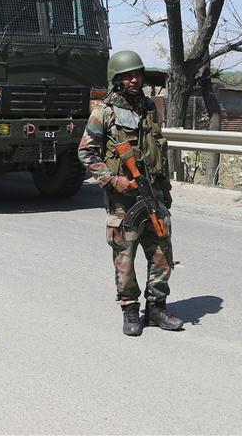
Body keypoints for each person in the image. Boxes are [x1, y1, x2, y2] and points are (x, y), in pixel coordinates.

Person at [77, 50, 183, 336]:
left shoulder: (149, 107)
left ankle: (157, 307)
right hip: (124, 199)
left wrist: (165, 191)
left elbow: (157, 150)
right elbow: (85, 152)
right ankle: (130, 311)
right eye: (128, 76)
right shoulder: (104, 111)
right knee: (125, 257)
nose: (135, 80)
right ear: (117, 79)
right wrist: (112, 180)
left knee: (162, 251)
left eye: (138, 74)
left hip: (153, 194)